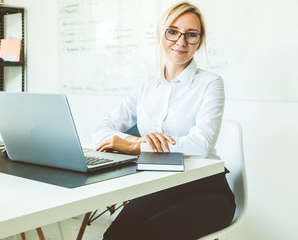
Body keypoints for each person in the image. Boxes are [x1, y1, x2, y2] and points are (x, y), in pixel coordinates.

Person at [92, 1, 236, 240]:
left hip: (205, 189)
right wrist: (131, 140)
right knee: (115, 237)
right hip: (158, 186)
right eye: (173, 31)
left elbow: (201, 145)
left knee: (149, 235)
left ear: (199, 41)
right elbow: (101, 130)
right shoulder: (146, 85)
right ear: (161, 33)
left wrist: (136, 146)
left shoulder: (210, 83)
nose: (181, 42)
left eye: (191, 35)